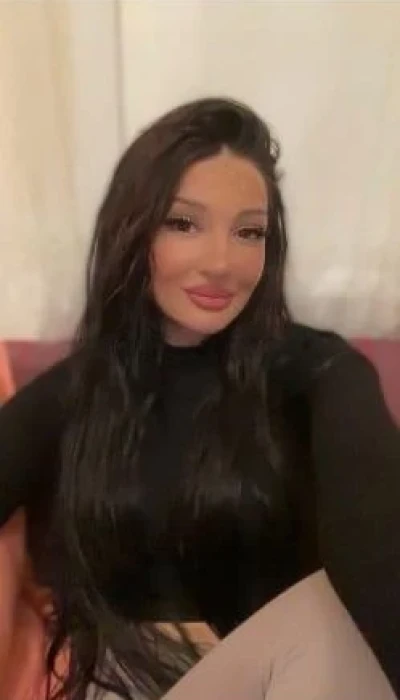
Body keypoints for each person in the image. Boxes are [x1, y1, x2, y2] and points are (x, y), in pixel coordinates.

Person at [0, 97, 399, 700]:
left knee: (329, 618)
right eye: (184, 224)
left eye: (249, 232)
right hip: (127, 686)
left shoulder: (319, 374)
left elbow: (379, 537)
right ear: (133, 232)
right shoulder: (78, 390)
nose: (221, 263)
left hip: (292, 683)